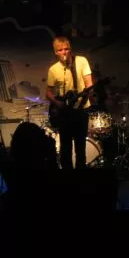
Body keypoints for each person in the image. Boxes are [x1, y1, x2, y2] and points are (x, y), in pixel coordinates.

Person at [46, 36, 93, 169]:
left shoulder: (82, 61)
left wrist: (86, 96)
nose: (64, 52)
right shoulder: (53, 69)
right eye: (60, 50)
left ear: (70, 49)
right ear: (55, 52)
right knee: (65, 148)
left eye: (66, 49)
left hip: (81, 110)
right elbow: (48, 93)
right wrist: (58, 104)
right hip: (64, 112)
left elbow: (89, 85)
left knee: (80, 147)